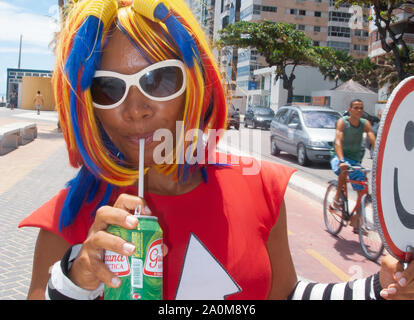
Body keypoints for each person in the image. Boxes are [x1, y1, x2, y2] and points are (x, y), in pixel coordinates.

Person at [19, 0, 413, 300]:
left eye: (158, 80)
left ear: (193, 83)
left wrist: (377, 288)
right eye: (109, 87)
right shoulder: (67, 224)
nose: (135, 109)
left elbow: (285, 294)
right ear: (88, 105)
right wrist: (73, 282)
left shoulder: (258, 186)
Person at [330, 99, 377, 233]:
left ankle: (356, 221)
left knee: (363, 192)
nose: (359, 110)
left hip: (355, 160)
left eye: (361, 108)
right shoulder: (343, 122)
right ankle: (337, 197)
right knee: (344, 170)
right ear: (350, 110)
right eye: (356, 108)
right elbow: (338, 141)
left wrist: (379, 156)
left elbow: (372, 139)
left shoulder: (365, 123)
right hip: (339, 156)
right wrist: (341, 160)